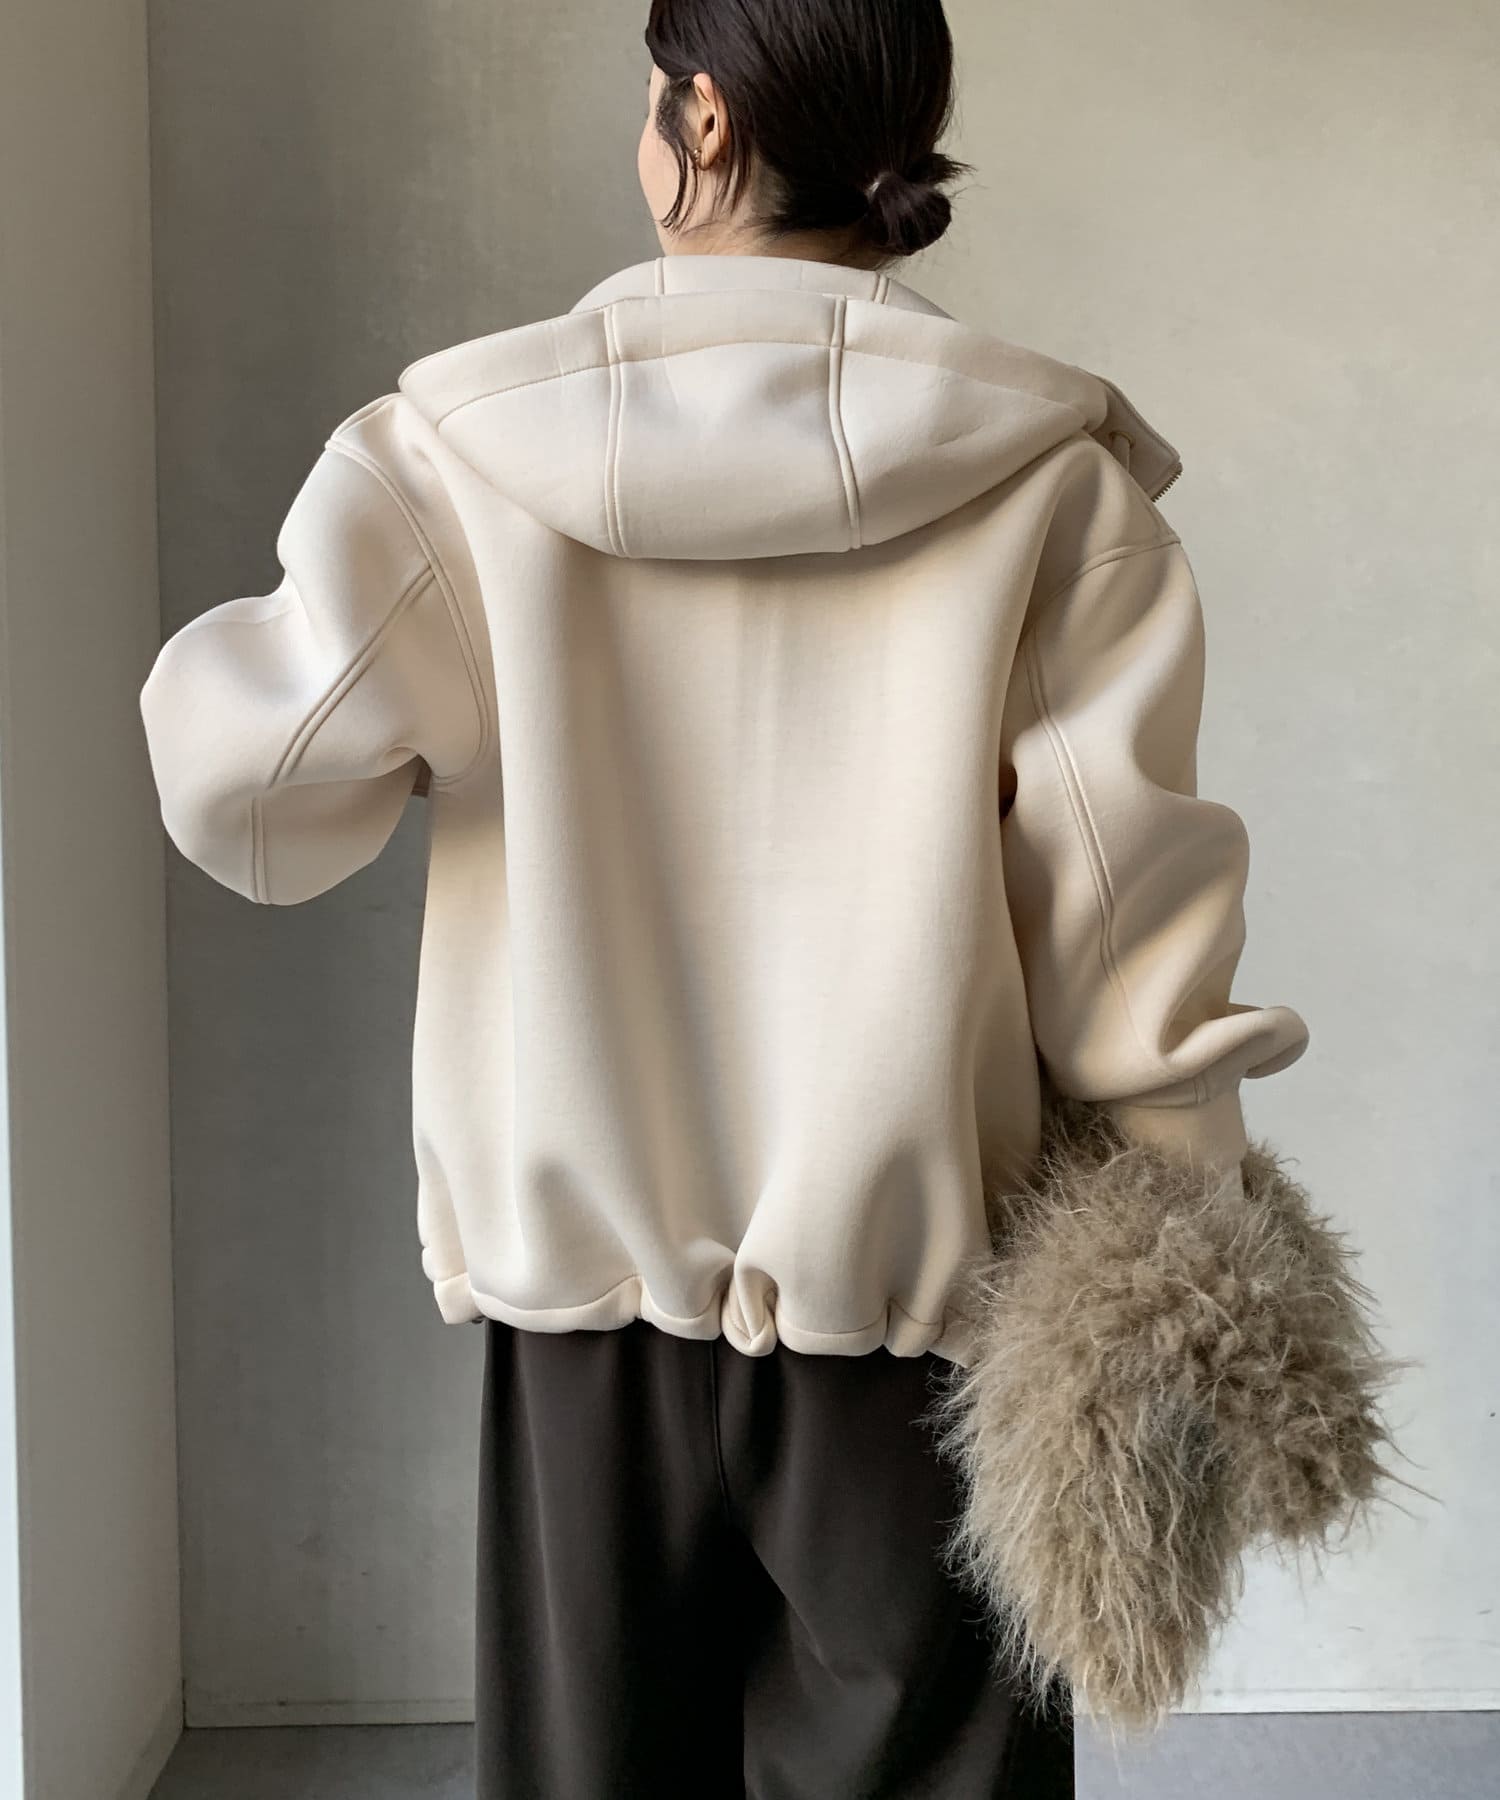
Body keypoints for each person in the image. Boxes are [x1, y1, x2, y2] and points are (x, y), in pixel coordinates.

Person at [139, 1, 1403, 1794]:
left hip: (580, 1336)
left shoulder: (451, 463)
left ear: (707, 118)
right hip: (926, 1323)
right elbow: (1127, 932)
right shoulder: (1056, 488)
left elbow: (249, 795)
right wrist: (1194, 1223)